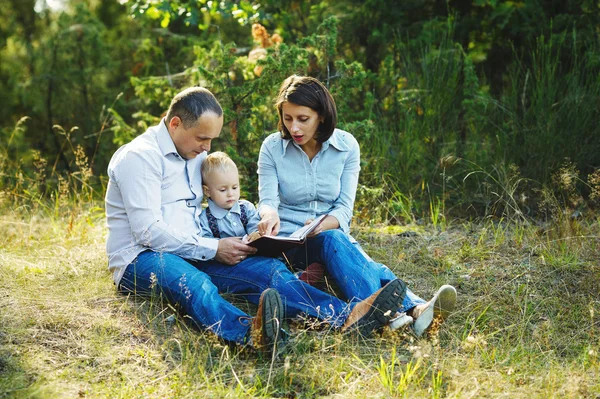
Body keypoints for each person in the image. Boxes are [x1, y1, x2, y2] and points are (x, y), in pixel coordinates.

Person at [105, 87, 405, 356]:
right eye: (202, 138)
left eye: (211, 139)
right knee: (195, 283)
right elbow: (147, 232)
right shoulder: (140, 158)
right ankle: (252, 334)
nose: (207, 147)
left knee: (270, 271)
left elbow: (220, 197)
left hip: (196, 248)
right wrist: (213, 248)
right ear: (175, 124)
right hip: (142, 257)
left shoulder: (192, 152)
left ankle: (348, 317)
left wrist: (240, 236)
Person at [256, 75, 457, 337]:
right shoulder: (272, 147)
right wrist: (269, 215)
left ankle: (411, 313)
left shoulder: (346, 146)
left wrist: (321, 225)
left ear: (322, 117)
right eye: (287, 118)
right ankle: (406, 310)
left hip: (330, 236)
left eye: (303, 119)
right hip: (289, 242)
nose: (294, 127)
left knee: (340, 243)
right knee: (363, 260)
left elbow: (343, 209)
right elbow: (268, 200)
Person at [197, 150, 407, 335]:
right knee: (272, 273)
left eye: (234, 187)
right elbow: (207, 245)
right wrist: (220, 246)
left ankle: (379, 308)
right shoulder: (204, 218)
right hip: (231, 264)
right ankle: (348, 315)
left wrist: (258, 233)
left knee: (333, 239)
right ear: (208, 191)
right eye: (223, 190)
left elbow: (256, 225)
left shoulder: (244, 208)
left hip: (259, 254)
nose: (230, 194)